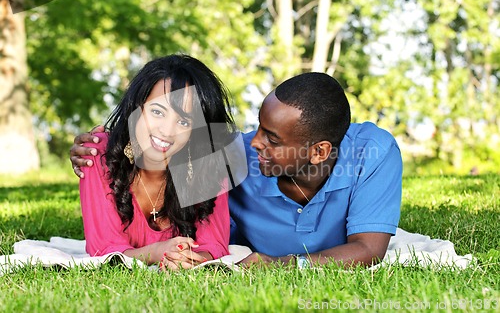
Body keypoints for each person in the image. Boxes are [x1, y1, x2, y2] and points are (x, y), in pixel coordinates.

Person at [71, 72, 402, 268]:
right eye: (259, 128)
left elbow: (369, 250)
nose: (254, 141)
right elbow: (167, 143)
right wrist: (100, 147)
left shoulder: (371, 154)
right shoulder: (231, 154)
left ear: (319, 152)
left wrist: (278, 266)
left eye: (271, 138)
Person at [77, 54, 235, 271]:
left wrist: (187, 259)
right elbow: (102, 248)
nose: (167, 131)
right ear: (136, 107)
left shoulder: (209, 163)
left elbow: (214, 244)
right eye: (157, 112)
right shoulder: (98, 154)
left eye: (183, 121)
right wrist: (157, 252)